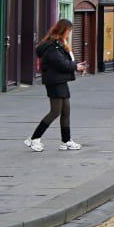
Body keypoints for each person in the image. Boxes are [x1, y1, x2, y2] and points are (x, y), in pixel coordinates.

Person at [27, 20, 82, 151]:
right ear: (63, 30)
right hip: (54, 81)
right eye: (68, 31)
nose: (69, 34)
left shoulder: (59, 44)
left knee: (66, 111)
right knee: (55, 111)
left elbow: (66, 60)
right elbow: (60, 63)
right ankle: (34, 138)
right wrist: (75, 66)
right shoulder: (51, 46)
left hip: (61, 80)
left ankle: (66, 140)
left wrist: (77, 64)